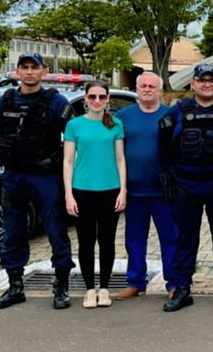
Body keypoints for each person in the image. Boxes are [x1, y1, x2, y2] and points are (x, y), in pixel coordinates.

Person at [159, 63, 213, 312]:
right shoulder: (178, 113)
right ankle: (183, 289)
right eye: (202, 80)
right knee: (186, 238)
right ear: (193, 84)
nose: (207, 84)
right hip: (187, 184)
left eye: (212, 80)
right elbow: (164, 146)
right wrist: (175, 175)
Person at [0, 52, 75, 310]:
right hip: (14, 175)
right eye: (24, 67)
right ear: (17, 71)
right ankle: (15, 286)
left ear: (43, 71)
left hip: (46, 176)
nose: (29, 72)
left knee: (56, 230)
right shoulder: (3, 102)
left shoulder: (56, 102)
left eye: (34, 67)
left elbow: (70, 139)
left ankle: (61, 286)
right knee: (13, 232)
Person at [113, 72, 177, 300]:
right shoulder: (123, 116)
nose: (147, 89)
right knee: (134, 239)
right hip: (133, 191)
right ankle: (136, 282)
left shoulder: (171, 115)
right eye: (143, 86)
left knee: (170, 238)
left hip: (163, 192)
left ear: (160, 91)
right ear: (137, 89)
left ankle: (174, 283)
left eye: (152, 86)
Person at [63, 81, 127, 309]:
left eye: (101, 97)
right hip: (82, 190)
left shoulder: (115, 124)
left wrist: (123, 190)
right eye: (92, 97)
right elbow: (68, 161)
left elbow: (120, 159)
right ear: (85, 98)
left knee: (107, 241)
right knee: (86, 241)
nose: (97, 101)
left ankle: (105, 288)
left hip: (110, 190)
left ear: (108, 99)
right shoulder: (74, 125)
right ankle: (90, 289)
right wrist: (69, 194)